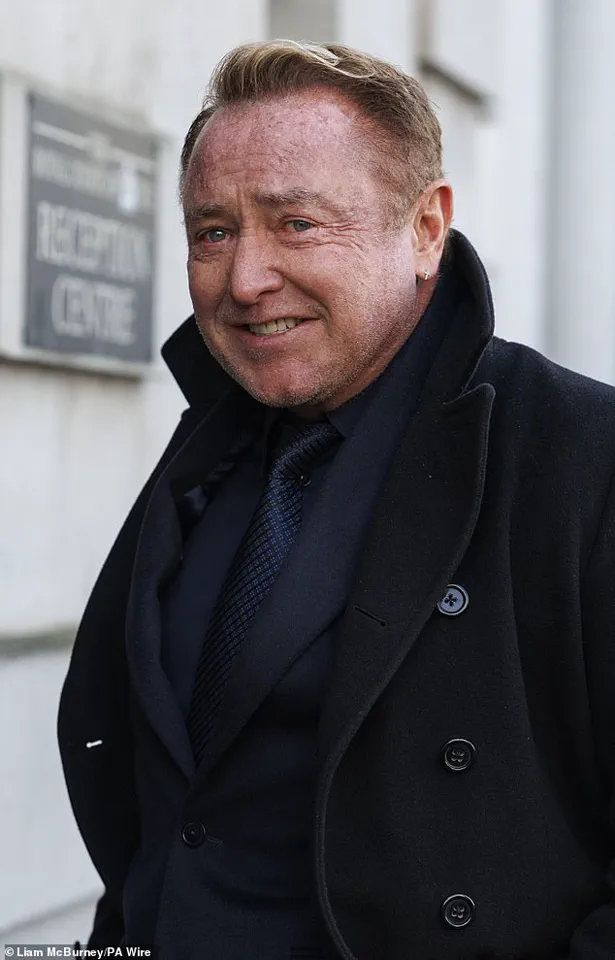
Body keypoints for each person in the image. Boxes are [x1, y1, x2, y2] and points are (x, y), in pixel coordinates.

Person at [58, 40, 615, 960]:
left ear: (426, 229)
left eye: (297, 223)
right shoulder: (207, 452)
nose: (245, 280)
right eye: (213, 232)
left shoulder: (583, 458)